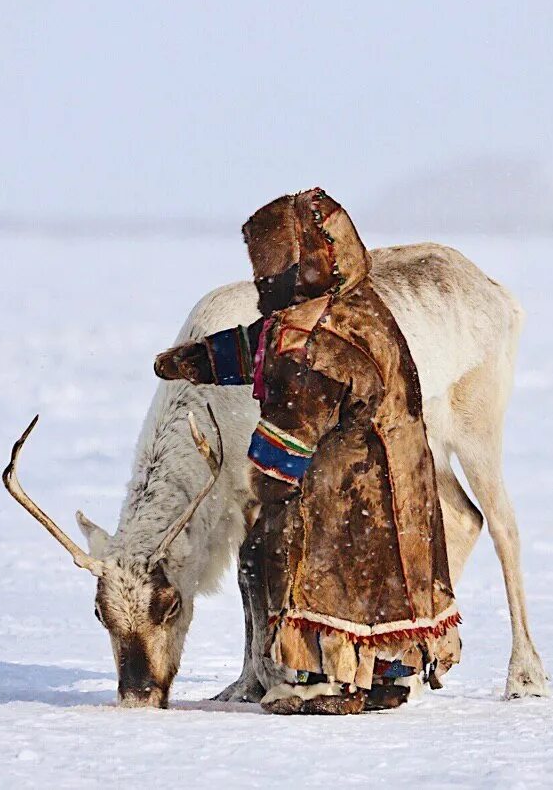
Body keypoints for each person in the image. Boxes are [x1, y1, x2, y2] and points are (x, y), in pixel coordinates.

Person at [154, 189, 460, 714]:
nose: (261, 282)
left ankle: (332, 682)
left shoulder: (319, 340)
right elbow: (263, 348)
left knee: (334, 576)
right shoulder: (350, 306)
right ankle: (384, 674)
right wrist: (200, 360)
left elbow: (296, 417)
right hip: (400, 476)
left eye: (268, 270)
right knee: (389, 582)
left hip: (349, 490)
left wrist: (268, 478)